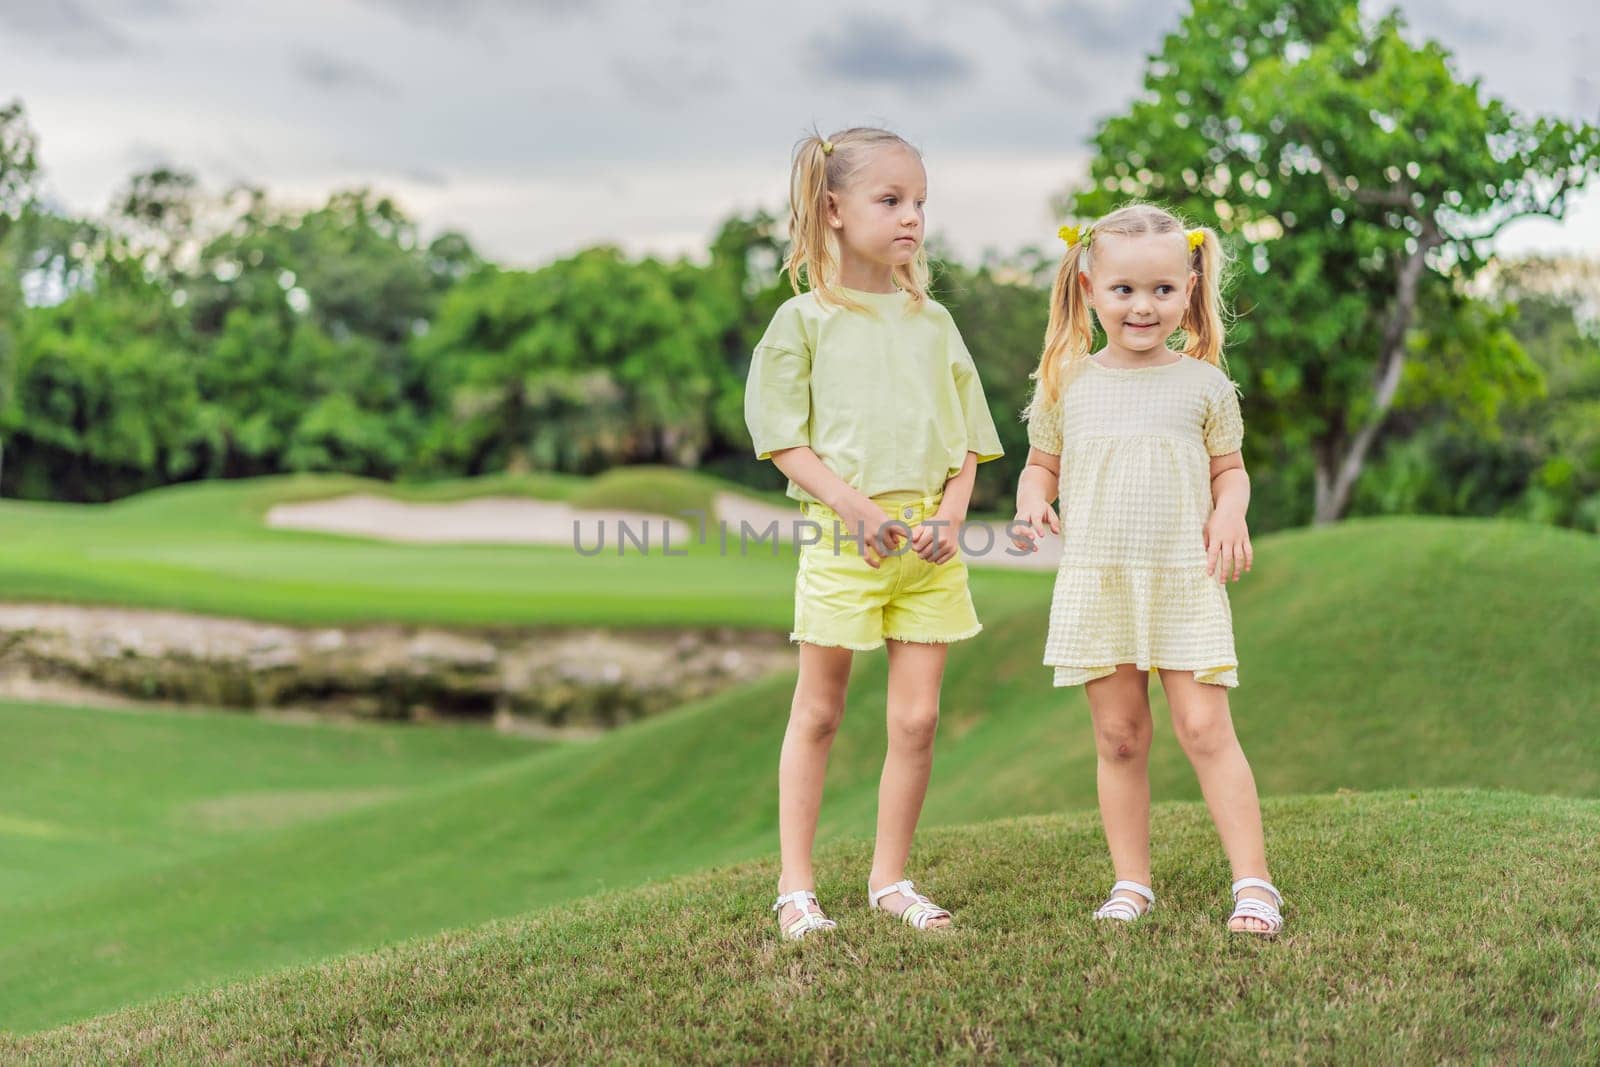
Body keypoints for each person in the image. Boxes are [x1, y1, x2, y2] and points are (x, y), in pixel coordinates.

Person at [744, 127, 1005, 940]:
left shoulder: (935, 322)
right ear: (832, 209)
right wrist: (856, 510)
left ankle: (890, 878)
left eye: (920, 202)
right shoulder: (803, 321)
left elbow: (969, 440)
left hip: (928, 551)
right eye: (891, 200)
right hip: (842, 543)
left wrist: (955, 514)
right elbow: (781, 436)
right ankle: (796, 888)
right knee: (819, 712)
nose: (912, 219)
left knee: (918, 721)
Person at [1013, 202, 1283, 935]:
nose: (1143, 306)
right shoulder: (1067, 383)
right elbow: (1042, 466)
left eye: (1163, 289)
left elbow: (1231, 473)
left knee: (1204, 728)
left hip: (1179, 579)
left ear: (1190, 288)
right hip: (1100, 581)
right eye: (1125, 289)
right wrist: (1032, 502)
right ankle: (1131, 881)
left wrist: (1231, 510)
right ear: (1089, 286)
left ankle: (1254, 884)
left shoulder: (1205, 387)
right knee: (1120, 737)